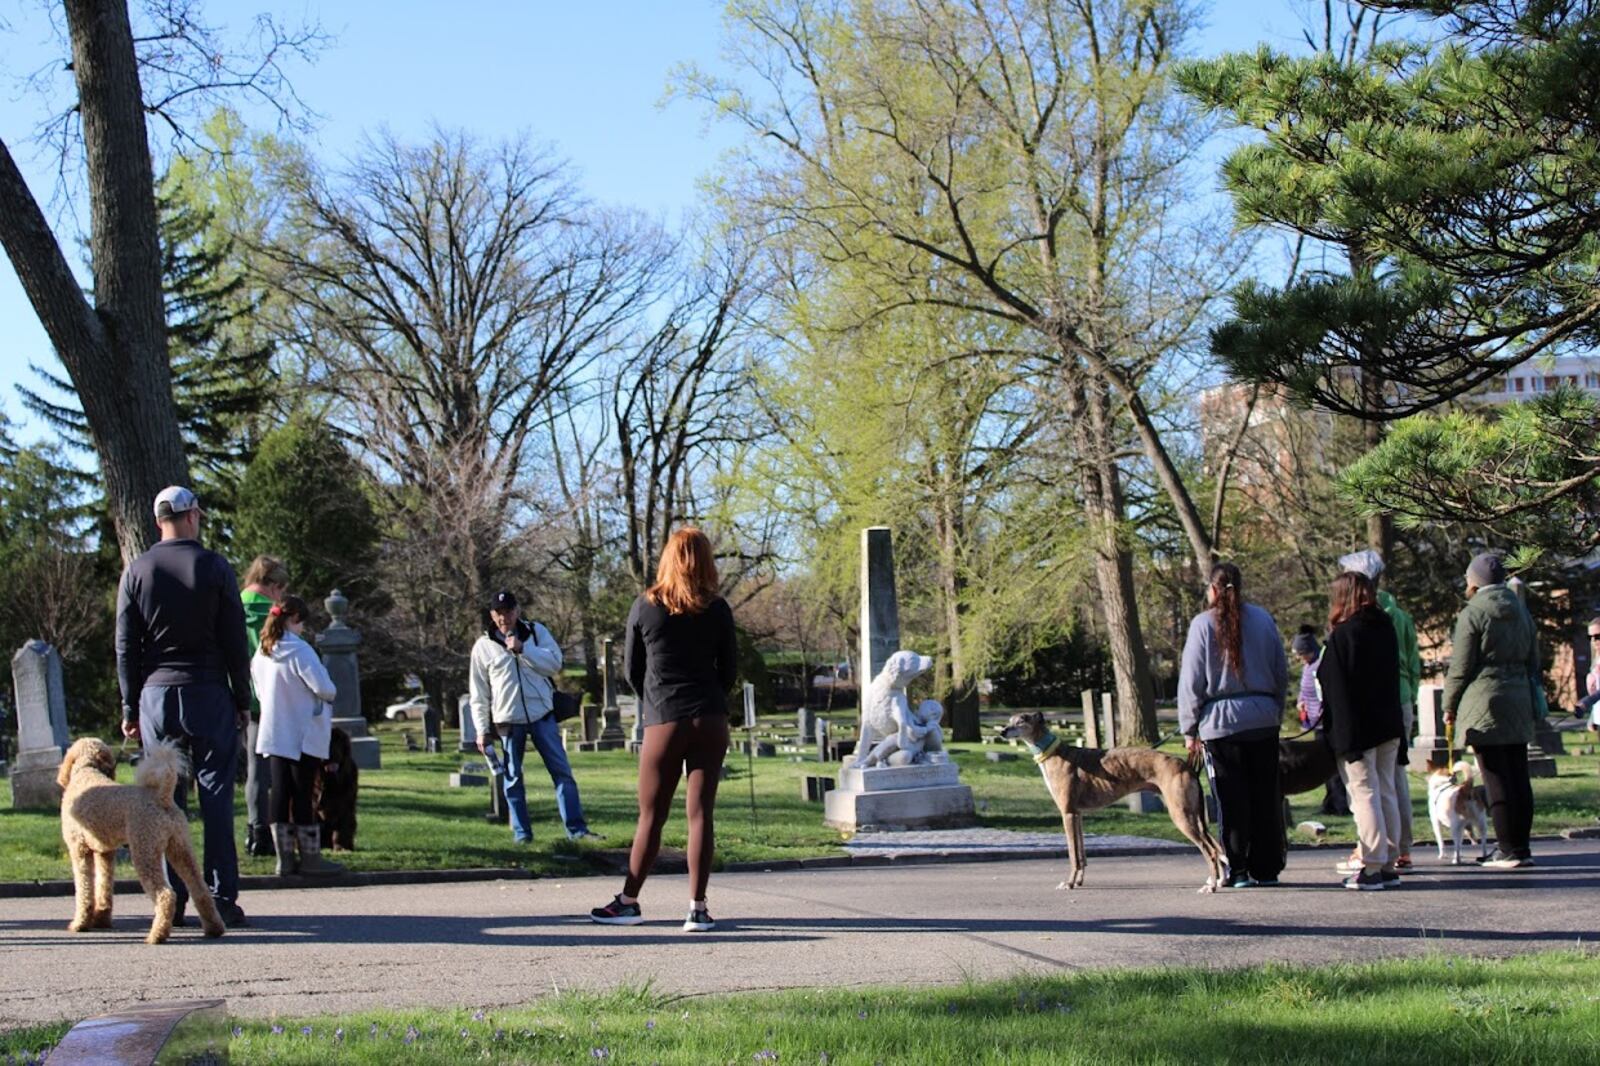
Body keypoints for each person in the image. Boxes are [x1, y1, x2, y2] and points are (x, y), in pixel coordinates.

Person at [116, 486, 251, 927]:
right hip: (208, 688)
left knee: (165, 802)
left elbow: (125, 646)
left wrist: (129, 706)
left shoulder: (137, 570)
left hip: (156, 693)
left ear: (159, 521)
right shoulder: (214, 567)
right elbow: (234, 638)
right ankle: (219, 897)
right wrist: (242, 698)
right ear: (193, 516)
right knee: (215, 795)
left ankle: (170, 897)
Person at [591, 527, 737, 930]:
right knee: (700, 814)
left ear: (668, 559)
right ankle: (698, 907)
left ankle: (628, 900)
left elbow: (631, 671)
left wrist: (656, 702)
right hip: (709, 717)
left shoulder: (646, 606)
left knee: (651, 816)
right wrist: (708, 700)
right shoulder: (718, 609)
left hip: (664, 719)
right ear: (706, 561)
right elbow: (729, 672)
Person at [1177, 562, 1288, 889]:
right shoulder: (1264, 619)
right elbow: (1280, 671)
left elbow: (1192, 681)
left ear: (1212, 589)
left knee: (1230, 799)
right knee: (1265, 797)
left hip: (1220, 724)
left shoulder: (1202, 625)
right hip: (1263, 718)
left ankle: (1238, 868)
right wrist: (1275, 710)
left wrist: (1189, 728)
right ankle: (1267, 867)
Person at [468, 590, 598, 844]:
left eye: (508, 611)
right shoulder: (483, 647)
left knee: (562, 773)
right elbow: (479, 693)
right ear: (492, 615)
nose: (504, 617)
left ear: (517, 611)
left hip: (542, 715)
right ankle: (522, 835)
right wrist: (482, 730)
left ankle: (577, 831)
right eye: (498, 613)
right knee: (513, 778)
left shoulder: (536, 633)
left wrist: (523, 650)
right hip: (508, 719)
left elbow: (554, 664)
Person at [1444, 552, 1541, 869]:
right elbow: (1534, 661)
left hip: (1483, 700)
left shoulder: (1472, 614)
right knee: (1518, 774)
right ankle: (1522, 847)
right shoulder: (1521, 610)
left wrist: (1450, 704)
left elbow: (1461, 666)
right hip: (1518, 699)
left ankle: (1506, 849)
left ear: (1474, 582)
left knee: (1494, 777)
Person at [1317, 571, 1406, 890]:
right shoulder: (1386, 629)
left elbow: (1334, 689)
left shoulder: (1343, 637)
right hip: (1388, 723)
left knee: (1364, 794)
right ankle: (1389, 862)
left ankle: (1371, 865)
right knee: (1386, 791)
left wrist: (1340, 736)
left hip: (1358, 727)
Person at [1338, 549, 1421, 870]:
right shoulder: (1399, 616)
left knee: (1367, 782)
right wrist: (1409, 695)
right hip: (1399, 697)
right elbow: (1413, 663)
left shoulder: (1359, 616)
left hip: (1370, 700)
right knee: (1394, 775)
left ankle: (1375, 849)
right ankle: (1403, 846)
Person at [252, 595, 344, 877]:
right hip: (303, 730)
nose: (303, 628)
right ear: (295, 620)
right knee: (303, 794)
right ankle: (310, 858)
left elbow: (256, 689)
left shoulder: (262, 652)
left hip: (274, 730)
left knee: (279, 792)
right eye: (302, 623)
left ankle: (284, 858)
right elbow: (325, 688)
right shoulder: (300, 651)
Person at [240, 555, 290, 858]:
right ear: (272, 585)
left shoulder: (233, 605)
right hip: (272, 697)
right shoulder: (275, 614)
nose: (281, 594)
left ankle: (255, 830)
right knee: (278, 772)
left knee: (254, 770)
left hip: (242, 695)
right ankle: (271, 833)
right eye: (281, 587)